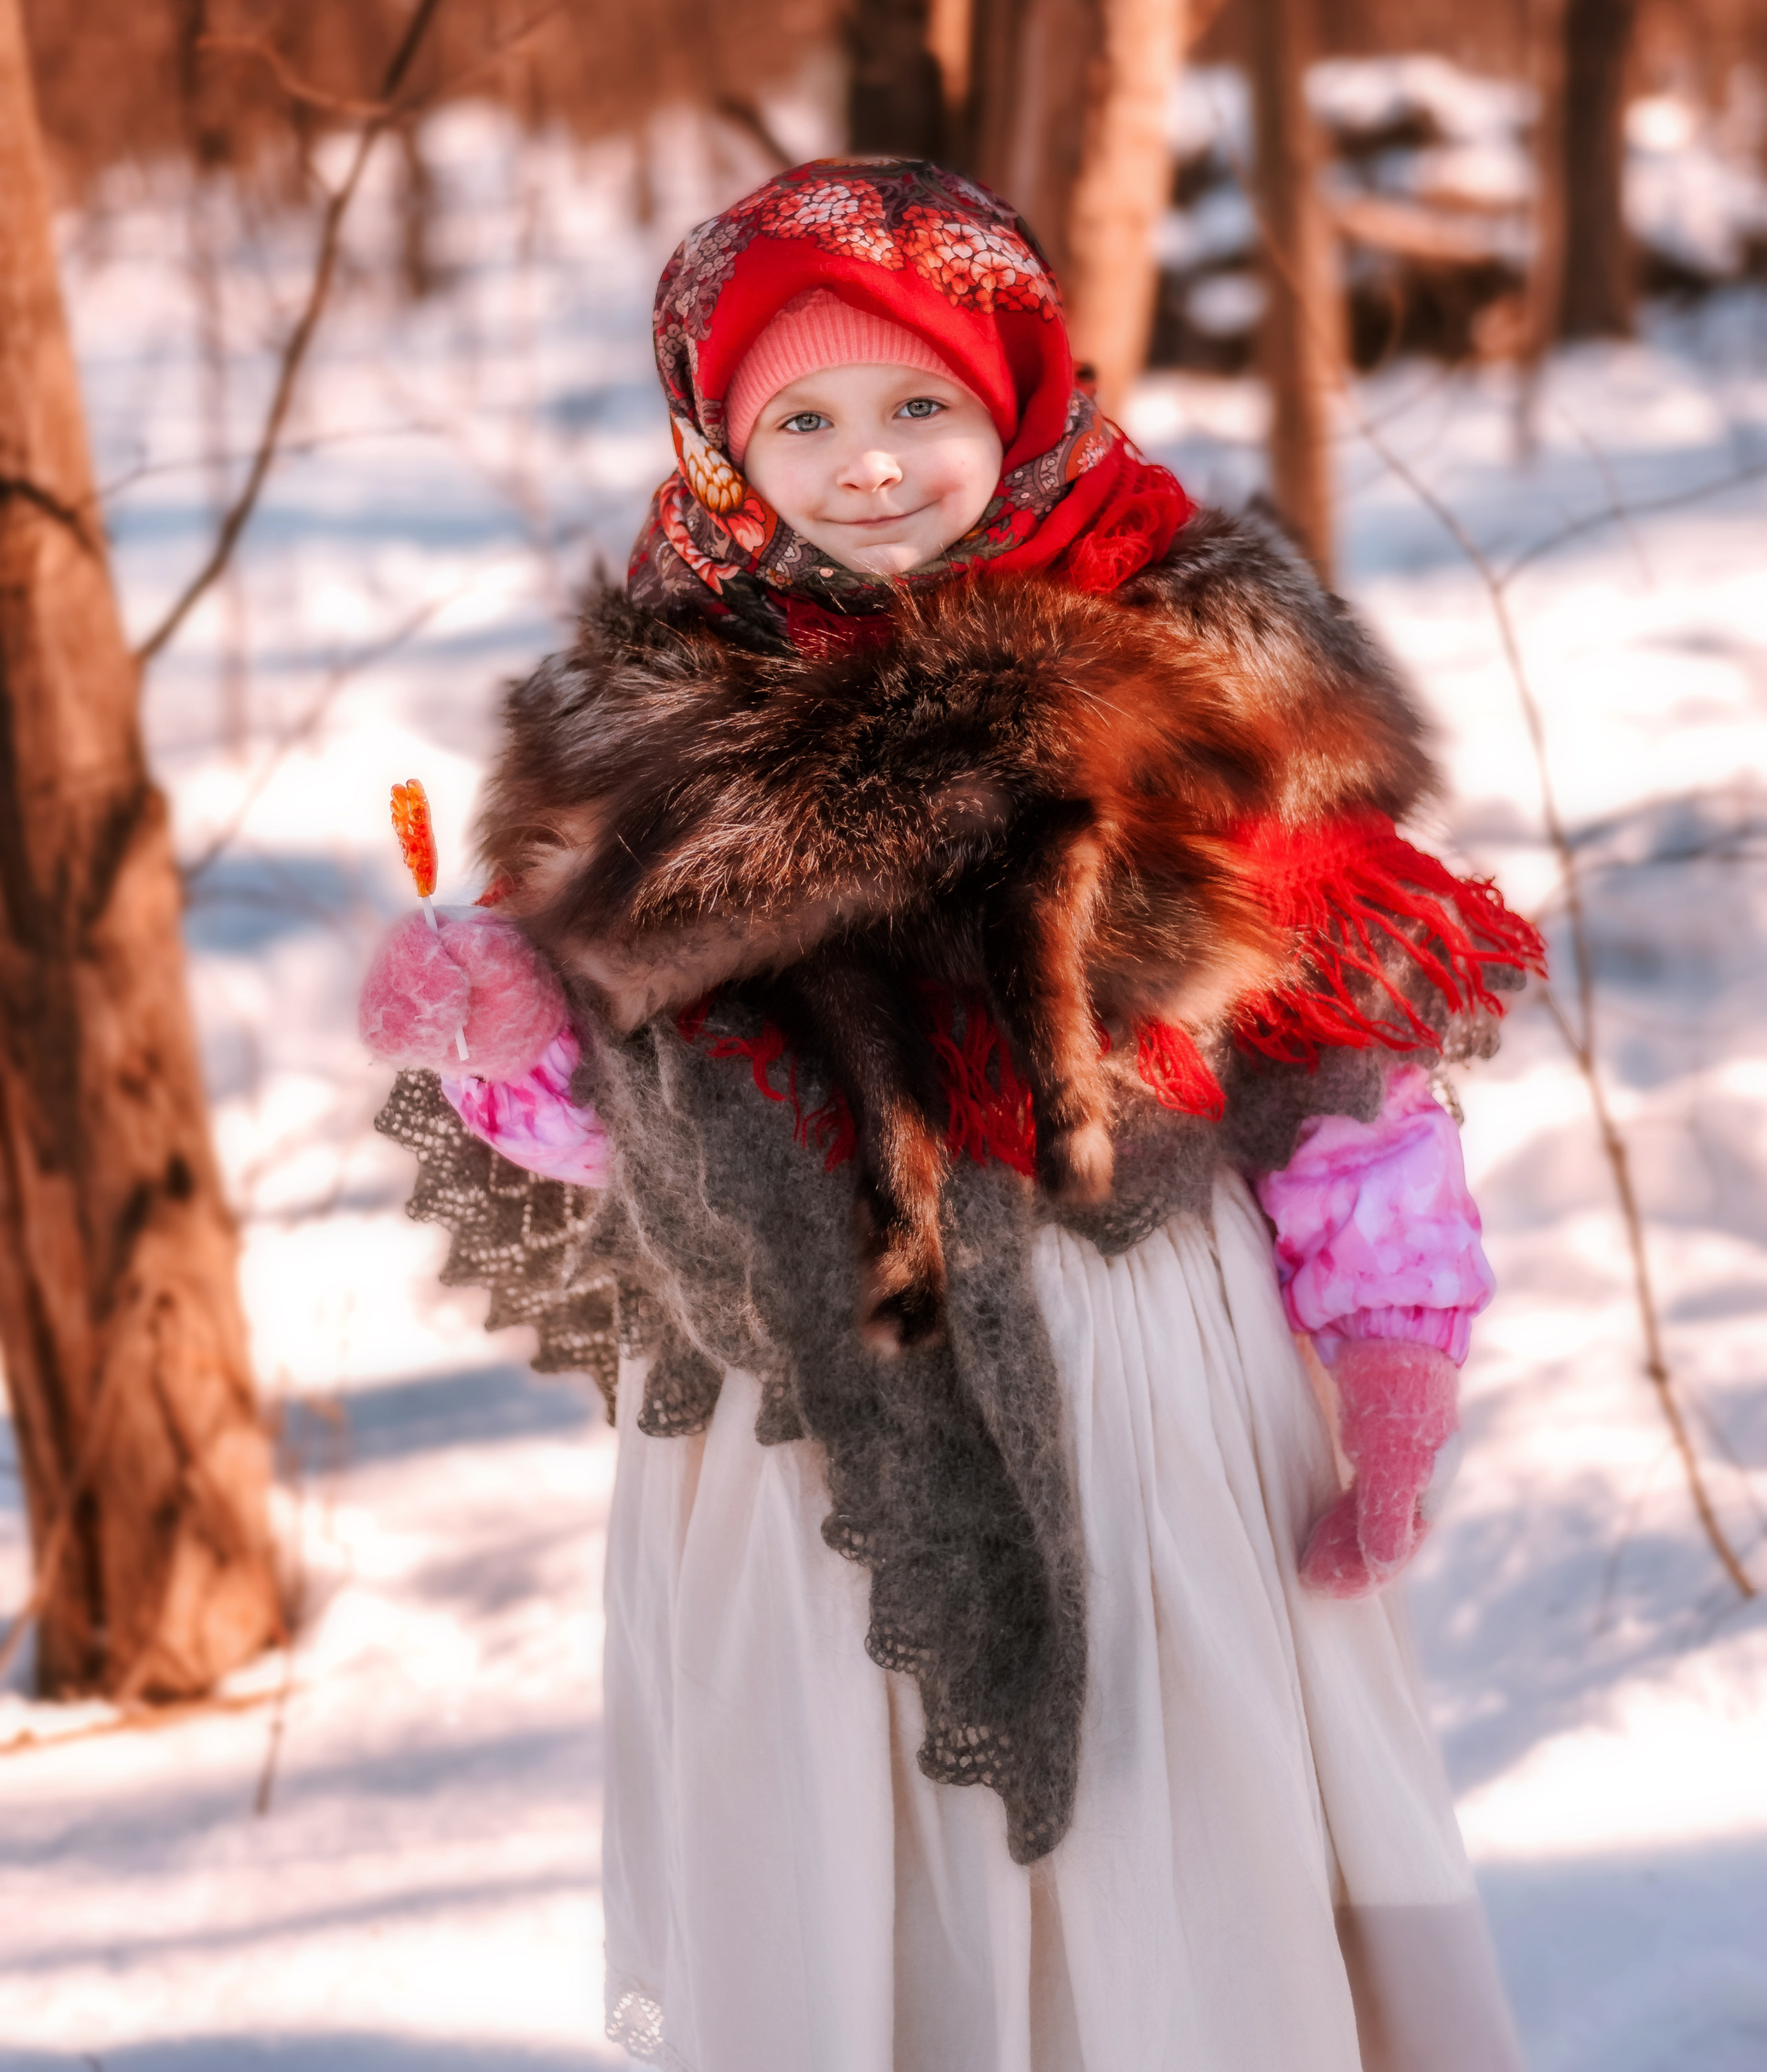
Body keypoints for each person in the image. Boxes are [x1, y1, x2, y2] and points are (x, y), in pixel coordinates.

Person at [362, 157, 1539, 2072]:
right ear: (722, 443)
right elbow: (640, 1145)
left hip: (1148, 1369)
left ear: (1019, 386)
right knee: (863, 1843)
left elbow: (1340, 1061)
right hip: (820, 1425)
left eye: (923, 403)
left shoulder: (1195, 662)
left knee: (1186, 1831)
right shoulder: (654, 714)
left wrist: (1396, 1335)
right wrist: (508, 1038)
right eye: (804, 419)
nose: (874, 462)